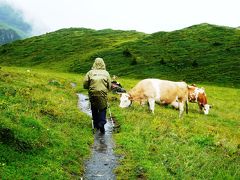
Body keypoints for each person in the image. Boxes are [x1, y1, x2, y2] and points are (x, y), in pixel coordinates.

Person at [83, 57, 111, 134]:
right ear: (103, 63)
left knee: (94, 107)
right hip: (102, 93)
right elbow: (109, 85)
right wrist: (107, 89)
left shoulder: (90, 72)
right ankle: (101, 123)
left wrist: (87, 87)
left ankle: (95, 124)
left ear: (94, 63)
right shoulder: (106, 73)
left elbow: (85, 83)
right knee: (103, 108)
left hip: (93, 93)